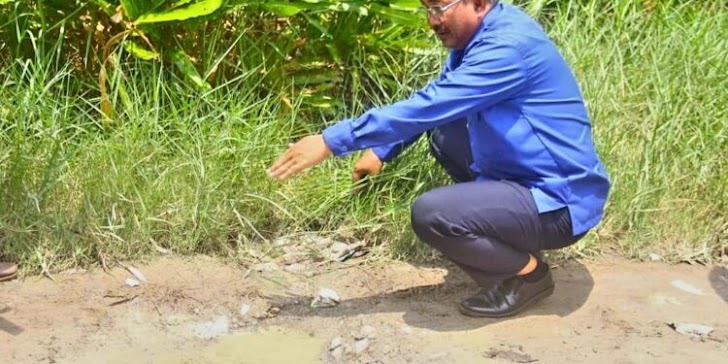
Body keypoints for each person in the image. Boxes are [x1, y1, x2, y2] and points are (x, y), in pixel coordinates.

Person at [268, 0, 610, 318]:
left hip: (560, 202)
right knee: (445, 136)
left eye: (440, 7)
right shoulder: (480, 35)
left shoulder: (507, 48)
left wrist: (331, 140)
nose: (432, 20)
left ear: (478, 3)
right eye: (426, 7)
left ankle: (529, 277)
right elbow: (439, 103)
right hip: (531, 179)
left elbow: (432, 105)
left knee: (432, 215)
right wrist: (381, 151)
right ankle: (506, 228)